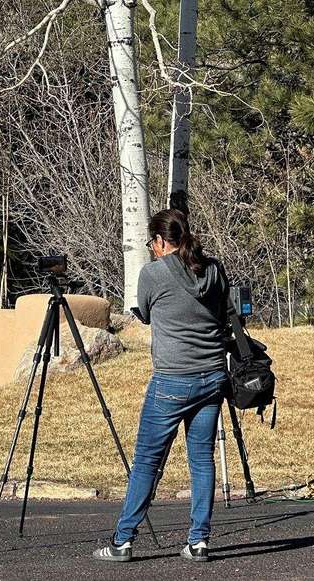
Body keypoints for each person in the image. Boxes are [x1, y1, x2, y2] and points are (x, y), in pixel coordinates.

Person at [93, 208, 231, 564]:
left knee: (147, 463)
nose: (151, 249)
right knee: (202, 460)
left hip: (173, 378)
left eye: (151, 243)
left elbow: (148, 314)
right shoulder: (213, 269)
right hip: (213, 376)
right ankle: (198, 540)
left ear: (159, 241)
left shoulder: (152, 274)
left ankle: (123, 541)